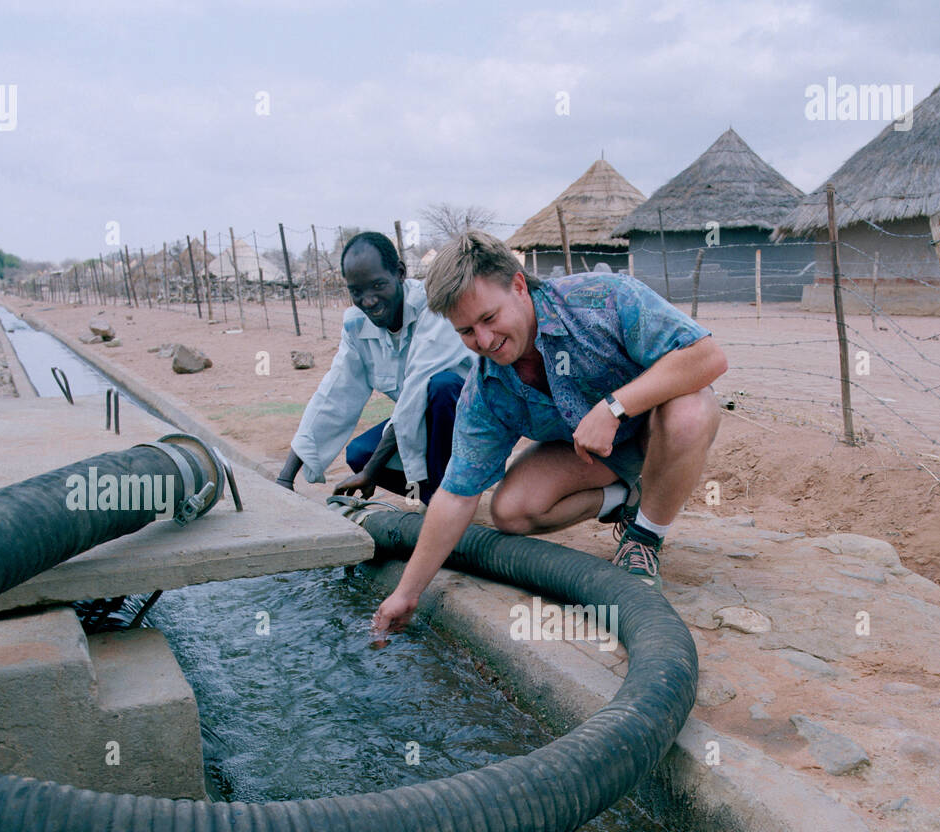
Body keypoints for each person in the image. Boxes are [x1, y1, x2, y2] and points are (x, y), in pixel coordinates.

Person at [370, 230, 726, 635]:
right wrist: (406, 593)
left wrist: (615, 407)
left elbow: (708, 357)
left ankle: (643, 540)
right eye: (466, 332)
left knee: (690, 411)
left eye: (489, 318)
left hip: (655, 431)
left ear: (518, 286)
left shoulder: (604, 299)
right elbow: (456, 495)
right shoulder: (486, 390)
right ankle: (627, 498)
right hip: (599, 454)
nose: (484, 341)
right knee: (511, 511)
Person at [276, 231, 472, 504]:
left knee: (440, 387)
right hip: (418, 422)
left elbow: (417, 391)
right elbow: (334, 397)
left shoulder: (434, 307)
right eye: (357, 291)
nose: (368, 300)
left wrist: (371, 472)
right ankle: (433, 495)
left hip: (472, 424)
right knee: (360, 453)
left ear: (400, 273)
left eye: (378, 285)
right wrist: (285, 478)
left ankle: (452, 499)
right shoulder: (357, 325)